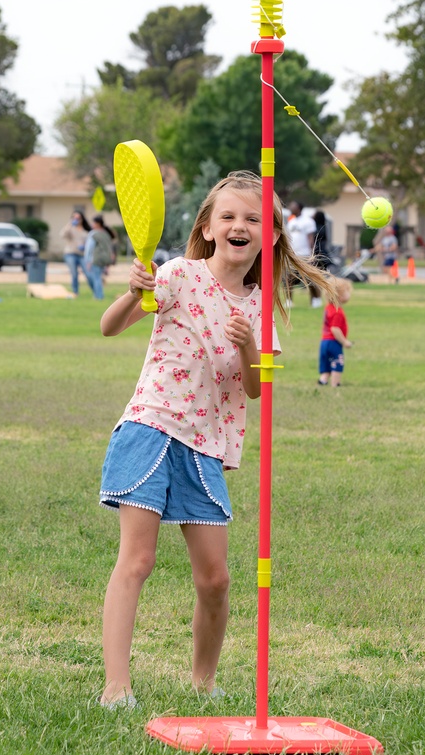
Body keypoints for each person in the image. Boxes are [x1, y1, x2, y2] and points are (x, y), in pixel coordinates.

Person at [96, 171, 334, 709]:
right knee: (137, 560)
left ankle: (203, 681)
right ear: (208, 225)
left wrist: (250, 343)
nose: (239, 225)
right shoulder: (177, 274)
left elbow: (252, 389)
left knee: (216, 579)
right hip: (151, 426)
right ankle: (116, 686)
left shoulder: (260, 309)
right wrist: (136, 292)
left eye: (253, 219)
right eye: (228, 216)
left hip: (206, 446)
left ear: (271, 235)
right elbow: (110, 326)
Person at [318, 277, 353, 387]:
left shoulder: (328, 308)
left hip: (324, 342)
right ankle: (335, 383)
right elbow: (335, 329)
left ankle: (323, 380)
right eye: (347, 291)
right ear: (340, 296)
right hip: (334, 343)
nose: (349, 294)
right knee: (337, 362)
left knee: (327, 363)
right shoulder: (338, 311)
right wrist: (344, 342)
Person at [286, 200, 320, 307]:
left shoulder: (307, 221)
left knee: (310, 279)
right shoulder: (291, 221)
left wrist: (312, 254)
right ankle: (289, 301)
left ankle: (315, 300)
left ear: (299, 208)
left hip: (305, 255)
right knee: (289, 279)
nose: (291, 208)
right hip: (294, 255)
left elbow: (311, 238)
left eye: (293, 206)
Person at [81, 215, 114, 300]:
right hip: (105, 258)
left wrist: (87, 260)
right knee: (98, 277)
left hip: (96, 258)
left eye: (93, 222)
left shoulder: (93, 234)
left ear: (97, 223)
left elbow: (89, 248)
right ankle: (98, 294)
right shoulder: (106, 233)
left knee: (96, 277)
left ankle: (98, 296)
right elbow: (109, 247)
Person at [59, 210, 91, 295]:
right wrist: (70, 224)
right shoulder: (70, 228)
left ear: (82, 219)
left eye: (78, 218)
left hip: (82, 255)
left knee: (88, 273)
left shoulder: (85, 230)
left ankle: (96, 292)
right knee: (74, 274)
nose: (76, 219)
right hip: (70, 253)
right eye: (74, 217)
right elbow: (62, 235)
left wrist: (85, 246)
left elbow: (90, 241)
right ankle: (75, 292)